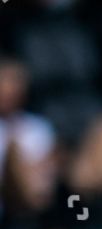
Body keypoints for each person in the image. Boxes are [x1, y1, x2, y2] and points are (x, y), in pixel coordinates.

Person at [0, 57, 59, 219]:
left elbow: (45, 172)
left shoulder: (38, 127)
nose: (7, 92)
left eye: (13, 84)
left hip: (31, 199)